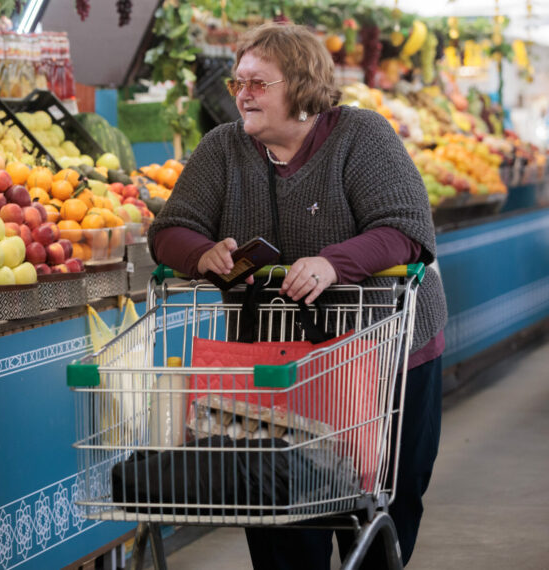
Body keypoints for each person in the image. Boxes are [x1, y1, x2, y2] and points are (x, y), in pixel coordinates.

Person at [148, 22, 448, 569]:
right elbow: (170, 230)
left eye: (259, 83)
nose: (243, 94)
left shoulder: (362, 136)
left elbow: (406, 229)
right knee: (279, 513)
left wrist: (334, 263)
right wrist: (201, 252)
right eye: (239, 82)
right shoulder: (224, 148)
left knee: (380, 509)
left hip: (379, 355)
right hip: (274, 365)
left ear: (303, 86)